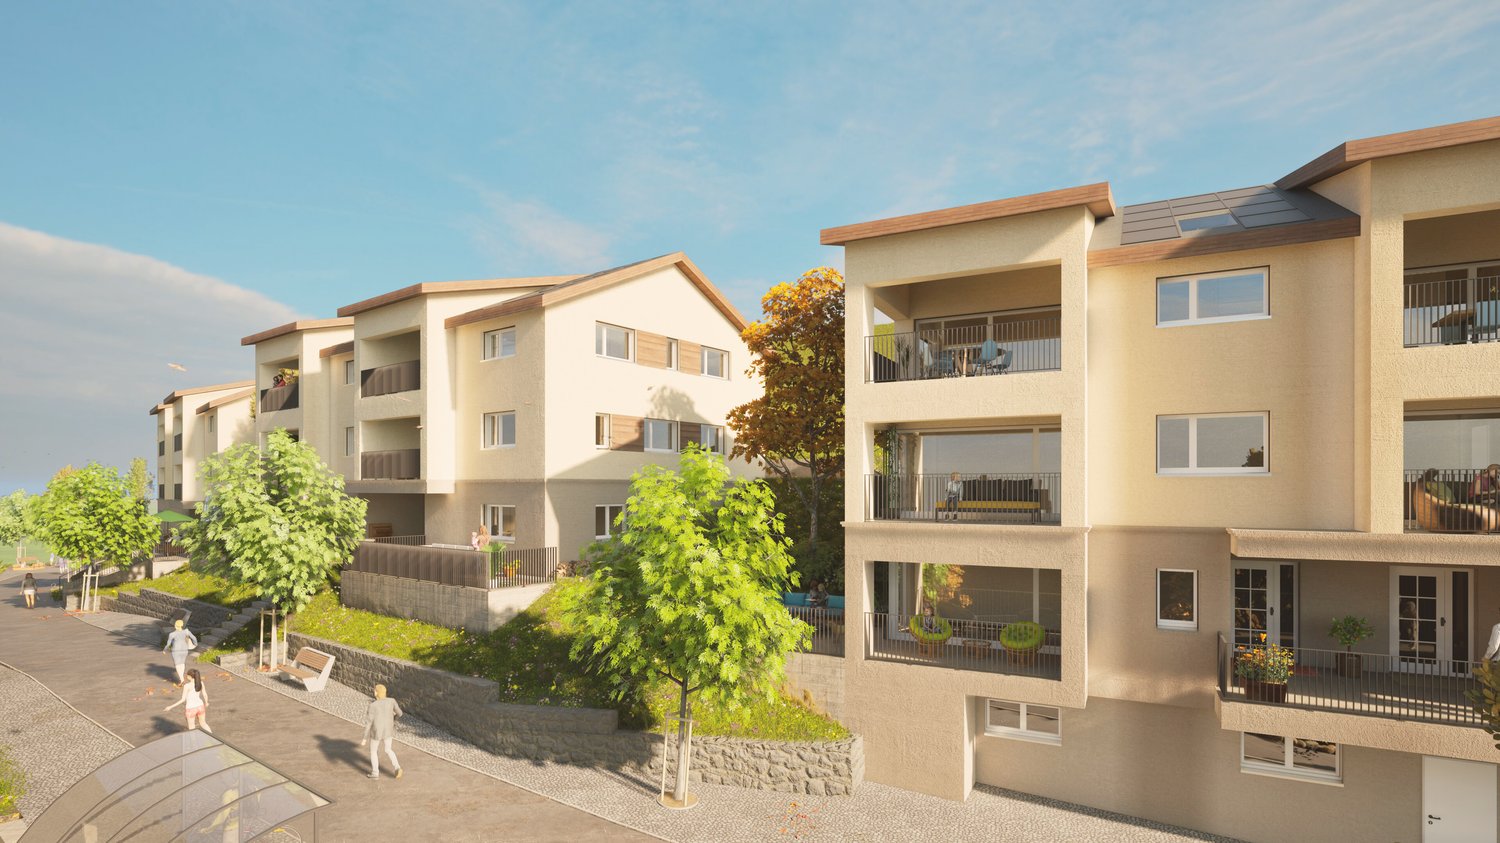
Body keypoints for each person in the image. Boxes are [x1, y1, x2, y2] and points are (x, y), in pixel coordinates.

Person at [361, 684, 403, 780]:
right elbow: (400, 713)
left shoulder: (373, 705)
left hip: (377, 733)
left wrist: (364, 738)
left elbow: (368, 723)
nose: (374, 691)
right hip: (388, 731)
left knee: (373, 751)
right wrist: (393, 719)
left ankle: (375, 773)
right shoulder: (392, 701)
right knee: (388, 749)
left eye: (374, 690)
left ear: (377, 693)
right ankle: (397, 768)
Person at [164, 668, 213, 733]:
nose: (186, 676)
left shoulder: (187, 686)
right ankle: (212, 737)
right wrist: (206, 702)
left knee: (192, 728)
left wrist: (170, 707)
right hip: (200, 706)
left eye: (187, 675)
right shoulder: (201, 683)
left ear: (190, 676)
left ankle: (193, 742)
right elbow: (204, 694)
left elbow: (183, 699)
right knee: (203, 723)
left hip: (191, 709)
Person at [163, 619, 199, 685]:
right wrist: (195, 644)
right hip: (184, 650)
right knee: (182, 663)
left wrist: (165, 650)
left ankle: (182, 679)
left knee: (177, 664)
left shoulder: (172, 634)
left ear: (175, 625)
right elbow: (194, 638)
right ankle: (182, 678)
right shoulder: (186, 632)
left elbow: (168, 644)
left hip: (176, 651)